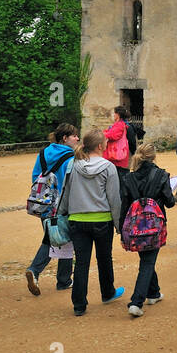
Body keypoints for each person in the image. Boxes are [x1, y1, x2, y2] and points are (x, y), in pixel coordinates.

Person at [63, 129, 124, 315]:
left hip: (77, 219)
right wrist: (118, 224)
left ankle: (79, 304)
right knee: (104, 258)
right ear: (100, 146)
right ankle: (107, 292)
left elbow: (66, 192)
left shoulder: (73, 165)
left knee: (81, 262)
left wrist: (63, 213)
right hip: (101, 219)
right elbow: (114, 198)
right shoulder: (108, 167)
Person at [118, 142, 175, 317]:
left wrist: (121, 231)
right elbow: (170, 202)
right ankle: (136, 302)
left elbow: (124, 206)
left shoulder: (128, 178)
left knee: (146, 260)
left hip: (135, 226)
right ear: (153, 156)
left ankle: (154, 293)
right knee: (148, 262)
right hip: (154, 225)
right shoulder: (161, 175)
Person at [24, 123, 79, 296]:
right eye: (74, 136)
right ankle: (37, 270)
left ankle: (63, 280)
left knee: (57, 238)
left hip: (45, 204)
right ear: (65, 138)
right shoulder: (70, 156)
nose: (77, 138)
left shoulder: (43, 153)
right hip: (63, 205)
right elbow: (73, 182)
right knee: (58, 239)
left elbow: (35, 177)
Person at [105, 106, 131, 171]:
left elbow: (112, 135)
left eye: (114, 113)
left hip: (116, 156)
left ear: (118, 114)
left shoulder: (119, 125)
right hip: (116, 156)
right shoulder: (120, 124)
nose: (113, 115)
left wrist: (102, 133)